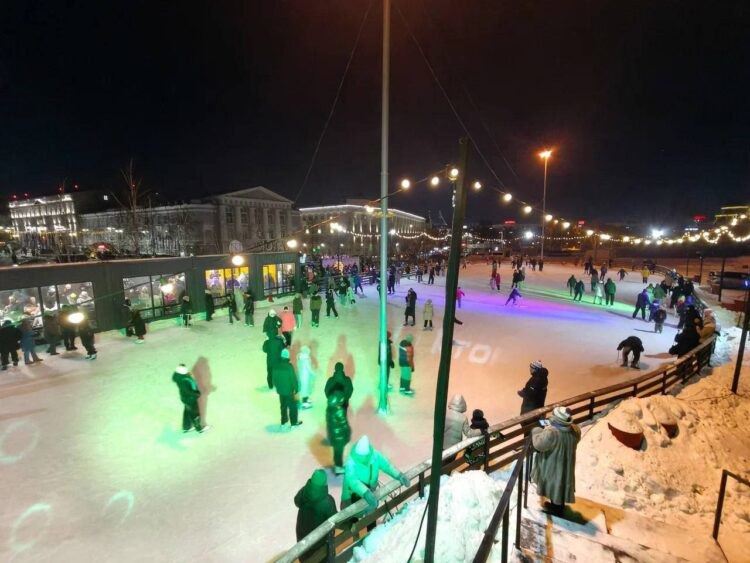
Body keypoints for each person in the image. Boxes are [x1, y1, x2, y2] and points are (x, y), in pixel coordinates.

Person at [340, 436, 410, 526]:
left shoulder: (375, 456)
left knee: (370, 515)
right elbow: (353, 481)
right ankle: (354, 531)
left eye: (364, 456)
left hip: (370, 492)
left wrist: (399, 475)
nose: (363, 460)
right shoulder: (351, 462)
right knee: (351, 520)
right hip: (351, 495)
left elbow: (387, 466)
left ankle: (371, 530)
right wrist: (366, 493)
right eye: (360, 457)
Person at [531, 406, 581, 516]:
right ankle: (558, 505)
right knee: (562, 483)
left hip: (553, 465)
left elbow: (539, 444)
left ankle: (556, 509)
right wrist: (547, 424)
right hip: (566, 463)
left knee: (555, 483)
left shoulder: (552, 433)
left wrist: (536, 431)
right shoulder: (575, 430)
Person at [294, 469, 338, 561]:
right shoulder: (327, 502)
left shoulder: (305, 491)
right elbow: (335, 520)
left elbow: (296, 501)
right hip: (320, 544)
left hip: (302, 540)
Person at [273, 348, 302, 430]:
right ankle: (293, 423)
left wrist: (278, 387)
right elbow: (293, 379)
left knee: (283, 407)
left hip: (281, 391)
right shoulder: (289, 367)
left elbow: (274, 379)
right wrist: (296, 388)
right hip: (289, 391)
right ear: (287, 356)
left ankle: (283, 423)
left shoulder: (276, 366)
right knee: (292, 407)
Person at [172, 364, 205, 433]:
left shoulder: (180, 377)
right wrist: (197, 394)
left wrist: (187, 375)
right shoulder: (183, 381)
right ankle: (199, 429)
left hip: (185, 399)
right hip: (190, 399)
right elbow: (188, 391)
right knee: (195, 414)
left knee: (187, 412)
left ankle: (186, 427)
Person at [326, 391, 351, 474]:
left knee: (336, 452)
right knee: (339, 452)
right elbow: (344, 424)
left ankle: (337, 465)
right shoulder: (339, 411)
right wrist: (348, 432)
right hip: (340, 436)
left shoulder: (329, 409)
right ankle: (338, 467)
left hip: (333, 436)